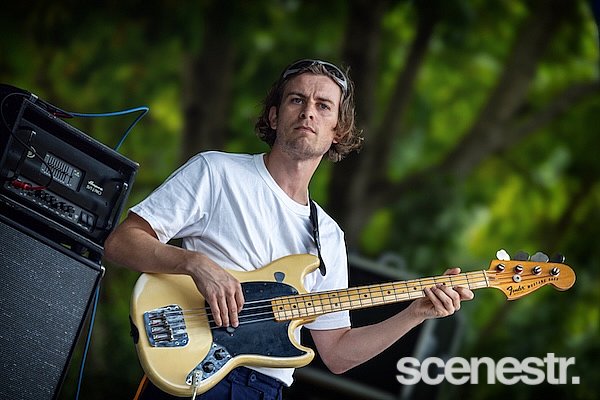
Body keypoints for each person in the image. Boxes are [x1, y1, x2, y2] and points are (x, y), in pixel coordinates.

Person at [104, 59, 474, 400]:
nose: (309, 111)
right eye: (297, 100)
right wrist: (194, 263)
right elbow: (121, 242)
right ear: (274, 115)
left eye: (323, 106)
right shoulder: (216, 172)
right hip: (194, 374)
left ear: (337, 131)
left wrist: (415, 313)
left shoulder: (328, 236)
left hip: (264, 391)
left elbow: (337, 354)